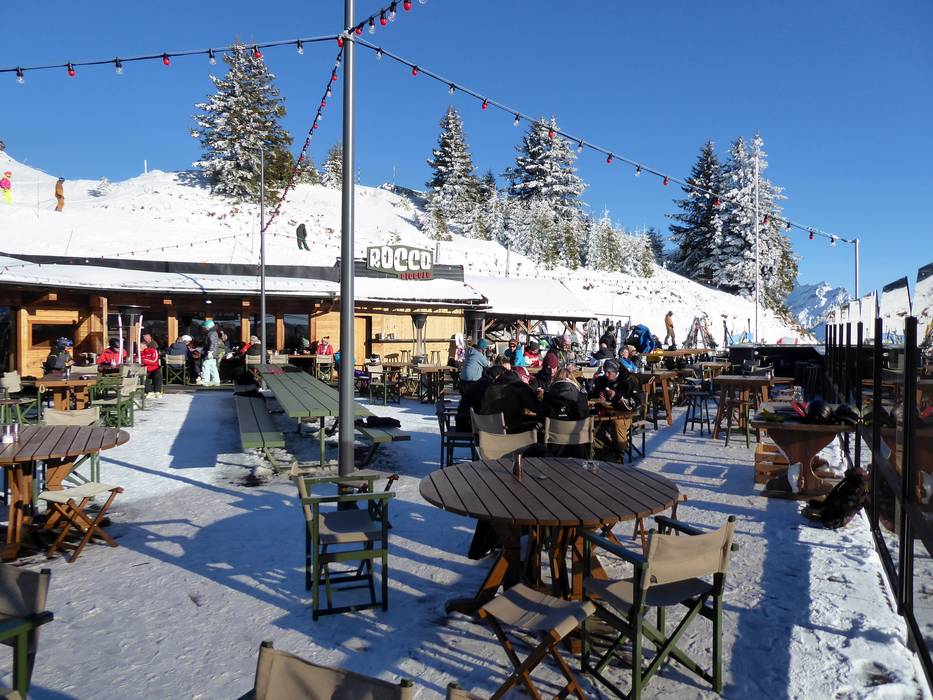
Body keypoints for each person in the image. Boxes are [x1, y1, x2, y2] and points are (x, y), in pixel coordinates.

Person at [589, 359, 642, 456]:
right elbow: (593, 394)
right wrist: (601, 395)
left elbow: (637, 402)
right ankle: (605, 449)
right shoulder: (603, 380)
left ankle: (619, 454)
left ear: (616, 371)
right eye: (605, 372)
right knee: (591, 424)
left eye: (609, 372)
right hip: (606, 411)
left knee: (617, 423)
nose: (606, 374)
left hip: (627, 413)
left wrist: (616, 396)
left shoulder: (628, 380)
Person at [480, 368, 542, 433]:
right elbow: (536, 408)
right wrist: (540, 396)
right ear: (521, 377)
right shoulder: (519, 386)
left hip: (487, 432)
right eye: (526, 378)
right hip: (509, 432)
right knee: (540, 424)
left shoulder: (490, 388)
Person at [197, 319, 220, 386]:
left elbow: (212, 343)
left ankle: (205, 380)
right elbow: (213, 343)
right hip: (213, 352)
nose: (204, 329)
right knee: (212, 366)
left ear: (208, 327)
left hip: (210, 352)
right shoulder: (213, 332)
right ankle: (216, 381)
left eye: (205, 327)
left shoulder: (211, 333)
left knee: (205, 364)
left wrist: (210, 352)